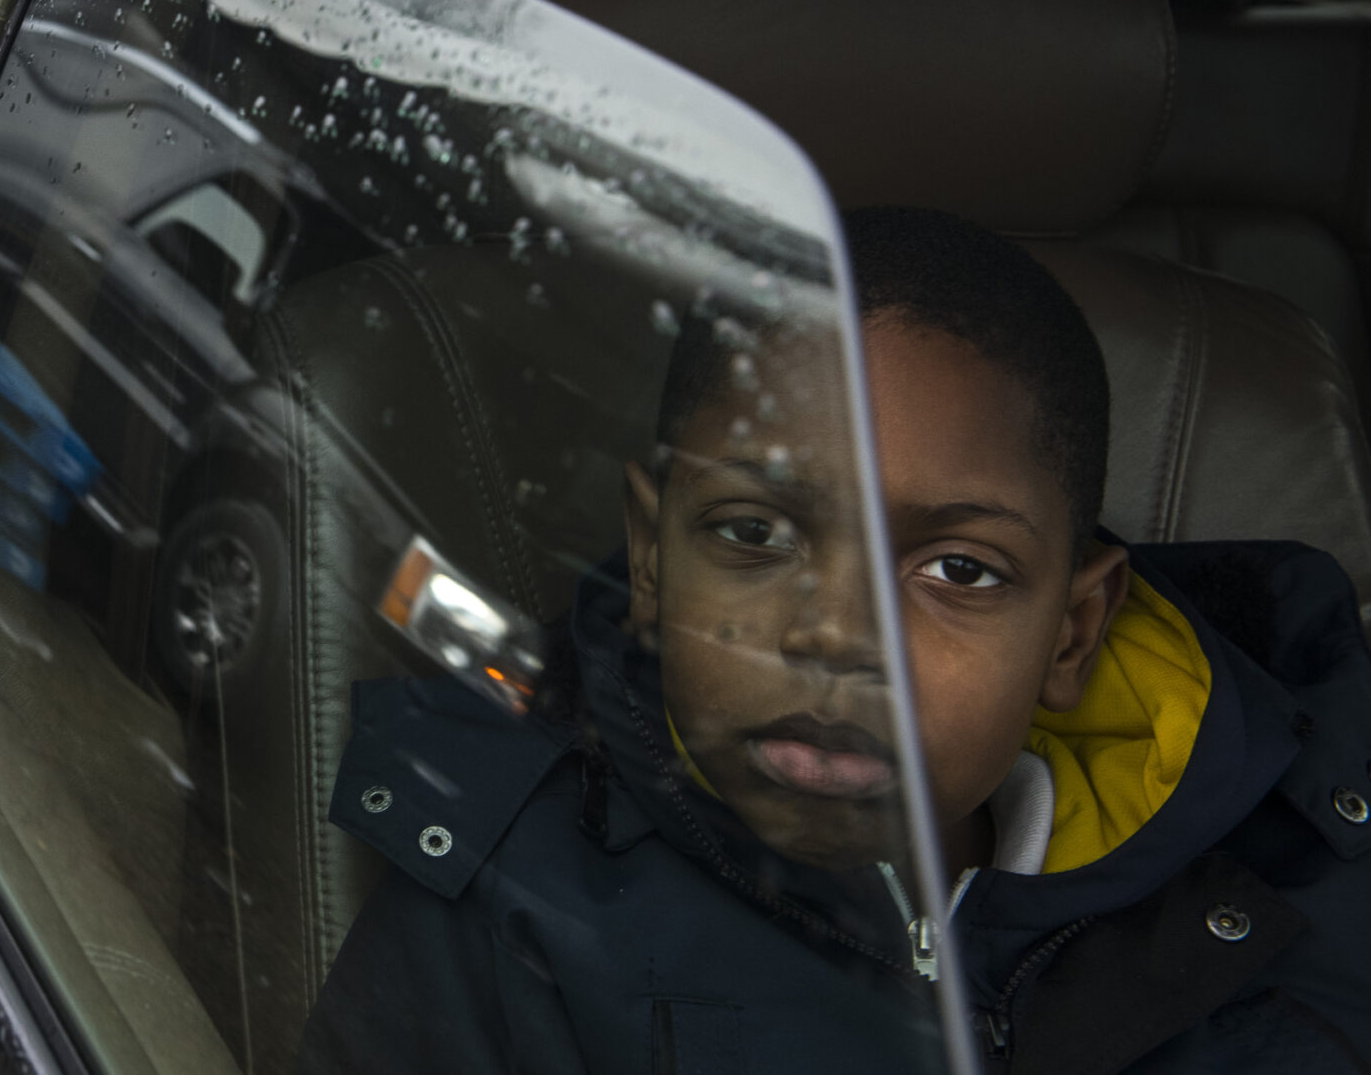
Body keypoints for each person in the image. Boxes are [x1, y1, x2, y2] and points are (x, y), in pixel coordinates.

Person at [299, 206, 1371, 1072]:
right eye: (753, 532)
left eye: (959, 568)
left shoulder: (1292, 881)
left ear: (1071, 630)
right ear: (654, 557)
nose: (835, 632)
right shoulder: (507, 901)